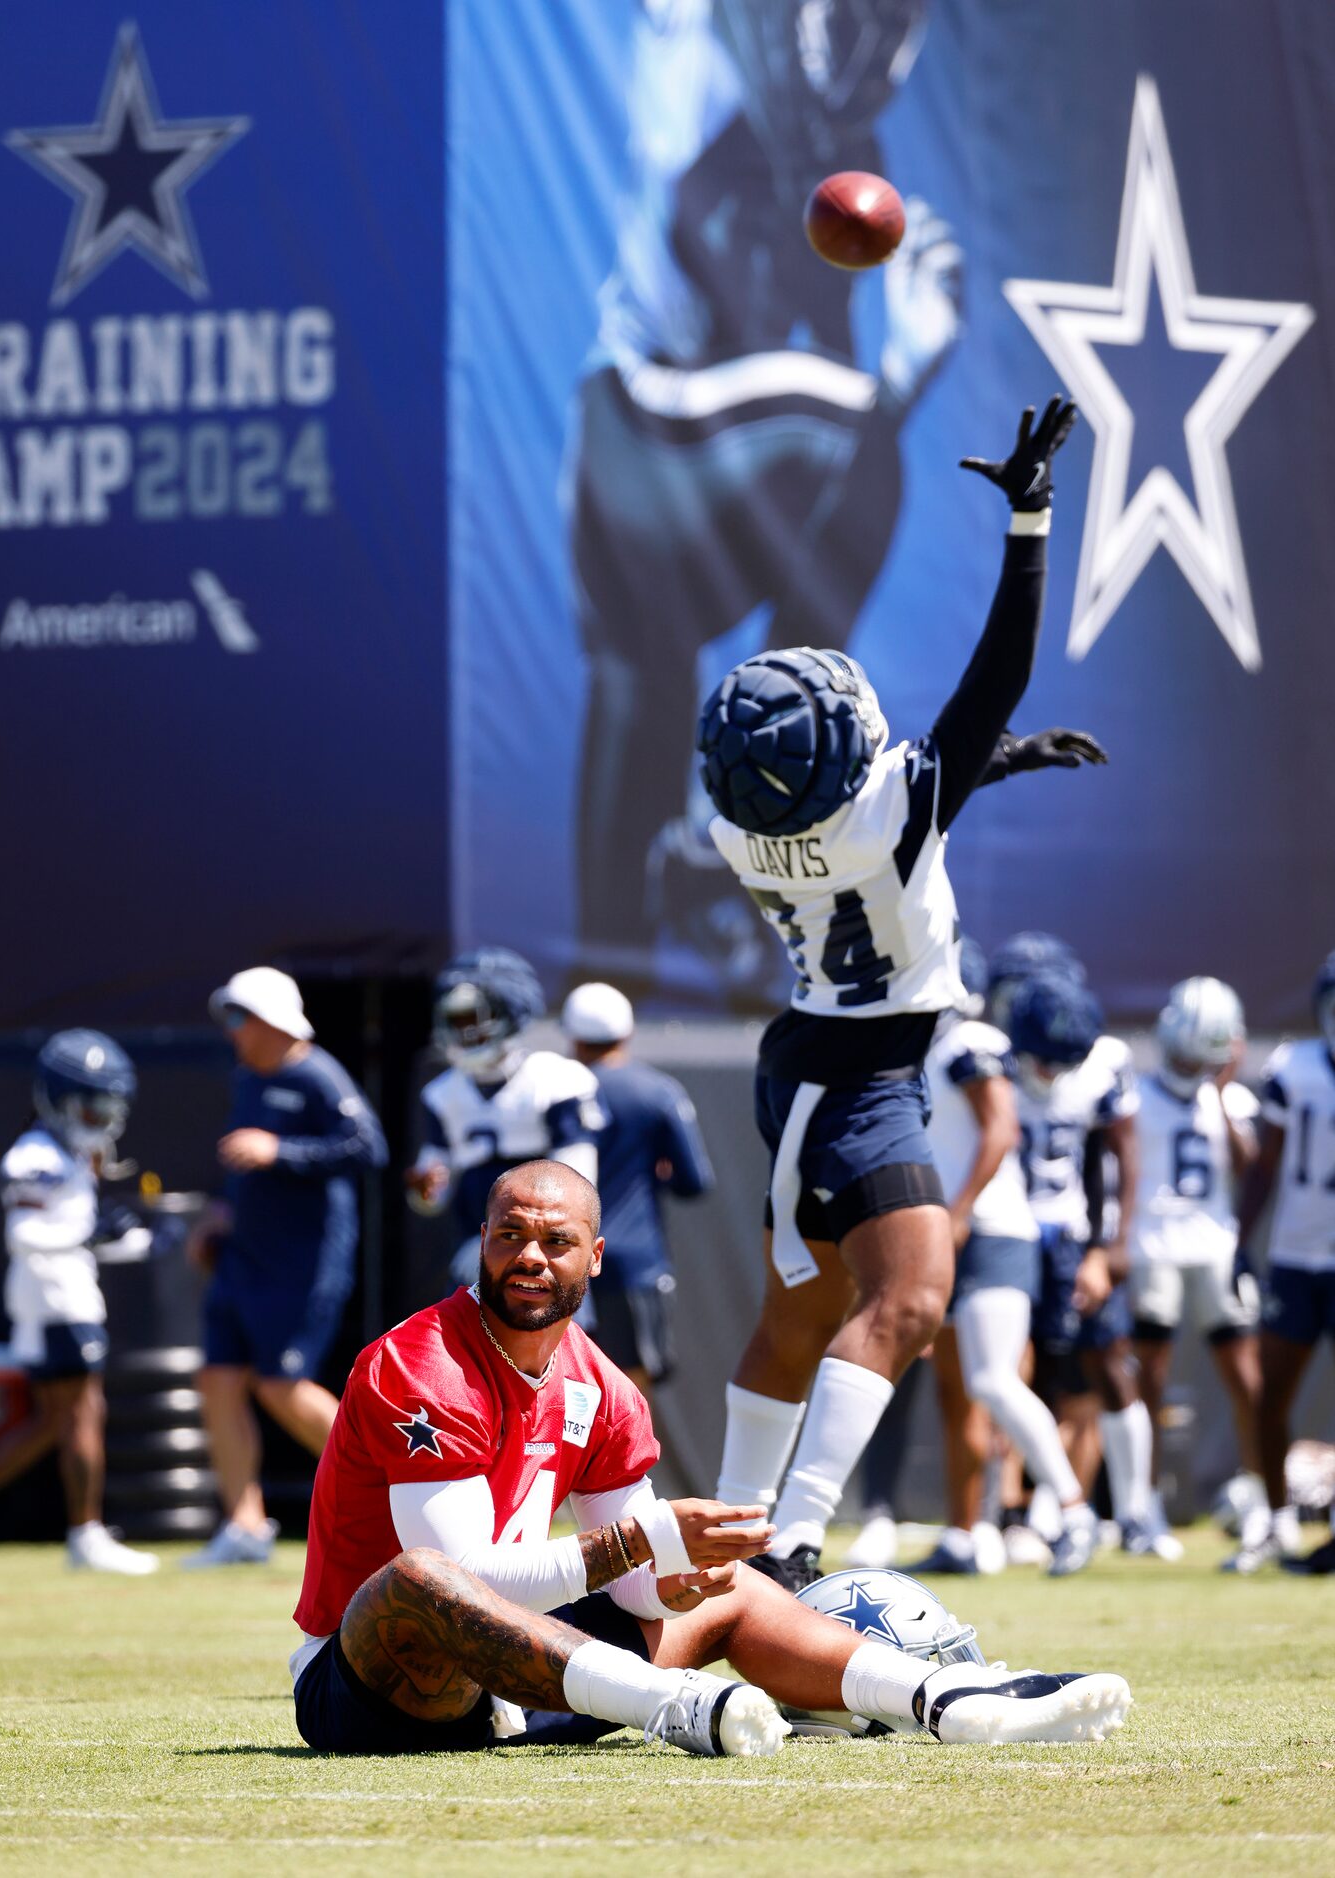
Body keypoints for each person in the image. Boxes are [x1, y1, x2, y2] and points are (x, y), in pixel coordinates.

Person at [289, 1157, 1132, 1756]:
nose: (531, 1259)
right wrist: (642, 1544)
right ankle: (680, 1708)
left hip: (524, 1690)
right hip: (375, 1686)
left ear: (595, 1256)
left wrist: (673, 1578)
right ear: (482, 1240)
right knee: (422, 1579)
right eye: (510, 1236)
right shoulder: (422, 1360)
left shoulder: (601, 1387)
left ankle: (946, 1702)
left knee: (735, 1588)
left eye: (555, 1241)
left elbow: (631, 1586)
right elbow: (468, 1578)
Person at [697, 395, 1106, 1592]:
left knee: (800, 1320)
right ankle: (789, 1539)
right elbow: (998, 672)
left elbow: (899, 778)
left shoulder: (741, 825)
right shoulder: (889, 810)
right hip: (861, 1076)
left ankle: (728, 1532)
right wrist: (1028, 515)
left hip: (812, 1056)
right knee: (911, 1299)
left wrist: (997, 760)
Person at [569, 1, 961, 977]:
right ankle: (750, 784)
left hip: (711, 465)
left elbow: (849, 455)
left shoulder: (841, 142)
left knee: (642, 697)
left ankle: (706, 846)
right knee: (850, 419)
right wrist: (902, 373)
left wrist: (892, 380)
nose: (874, 42)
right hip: (643, 429)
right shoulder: (712, 58)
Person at [0, 1031, 159, 1575]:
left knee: (59, 1417)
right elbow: (26, 1232)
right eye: (90, 1107)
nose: (100, 1120)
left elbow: (70, 1230)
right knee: (79, 1413)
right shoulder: (34, 1156)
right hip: (55, 1297)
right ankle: (84, 1532)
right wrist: (89, 1231)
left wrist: (126, 1239)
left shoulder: (65, 1153)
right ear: (58, 1098)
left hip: (61, 1291)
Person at [184, 967, 387, 1569]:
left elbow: (367, 1147)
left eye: (240, 1017)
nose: (233, 1031)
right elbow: (242, 1167)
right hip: (243, 1259)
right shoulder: (248, 1077)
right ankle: (243, 1527)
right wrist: (221, 1215)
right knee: (218, 1380)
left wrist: (280, 1152)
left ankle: (393, 1491)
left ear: (273, 1021)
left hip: (302, 1265)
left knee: (280, 1386)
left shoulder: (319, 1076)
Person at [911, 943, 1098, 1578]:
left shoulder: (972, 1040)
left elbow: (1001, 1130)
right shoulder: (930, 1050)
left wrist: (958, 1212)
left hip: (991, 1230)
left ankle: (1073, 1513)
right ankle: (968, 1534)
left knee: (993, 1378)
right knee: (954, 1391)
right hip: (953, 1230)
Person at [1008, 972, 1152, 1564]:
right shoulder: (986, 1061)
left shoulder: (1103, 1066)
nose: (1050, 1071)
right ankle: (1020, 1514)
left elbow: (1114, 1155)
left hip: (1071, 1231)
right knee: (1019, 1372)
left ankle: (1136, 1512)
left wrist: (1106, 1246)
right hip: (1010, 1230)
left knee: (1106, 1365)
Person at [1127, 978, 1261, 1558]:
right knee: (1147, 1383)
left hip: (1214, 1245)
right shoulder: (1135, 1096)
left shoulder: (1230, 1100)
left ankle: (1262, 1497)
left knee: (1247, 1379)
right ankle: (1144, 1504)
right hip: (1152, 1243)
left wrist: (1223, 1096)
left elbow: (1251, 1167)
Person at [1226, 951, 1335, 1574]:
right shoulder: (1294, 1068)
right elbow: (1266, 1164)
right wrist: (1241, 1239)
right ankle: (1274, 1521)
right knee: (1270, 1397)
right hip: (1296, 1256)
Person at [406, 949, 605, 1291]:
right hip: (477, 1246)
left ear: (510, 1013)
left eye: (474, 1019)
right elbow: (433, 1194)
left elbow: (578, 1185)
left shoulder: (554, 1080)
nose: (466, 1032)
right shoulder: (442, 1094)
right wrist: (422, 1189)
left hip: (546, 1249)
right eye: (458, 1022)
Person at [560, 981, 714, 1395]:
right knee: (628, 1388)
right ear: (627, 1031)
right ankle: (622, 1464)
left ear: (573, 1035)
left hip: (560, 1258)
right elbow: (694, 1181)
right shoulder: (657, 1091)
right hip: (633, 1262)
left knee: (563, 1382)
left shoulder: (553, 1092)